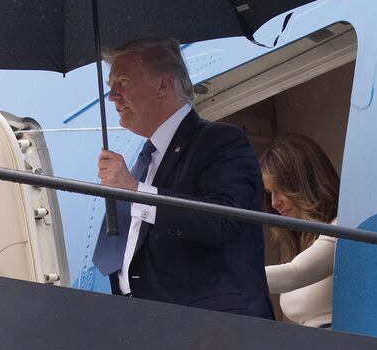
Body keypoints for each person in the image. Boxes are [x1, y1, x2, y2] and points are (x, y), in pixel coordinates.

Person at [91, 37, 273, 319]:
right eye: (110, 87)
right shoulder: (143, 163)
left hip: (215, 328)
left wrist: (133, 190)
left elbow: (221, 221)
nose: (112, 96)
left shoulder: (221, 141)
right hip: (150, 326)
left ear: (163, 85)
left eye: (123, 83)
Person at [259, 133, 340, 328]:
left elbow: (294, 274)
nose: (274, 202)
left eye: (280, 189)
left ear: (302, 183)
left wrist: (226, 277)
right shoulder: (304, 243)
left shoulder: (342, 226)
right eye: (269, 193)